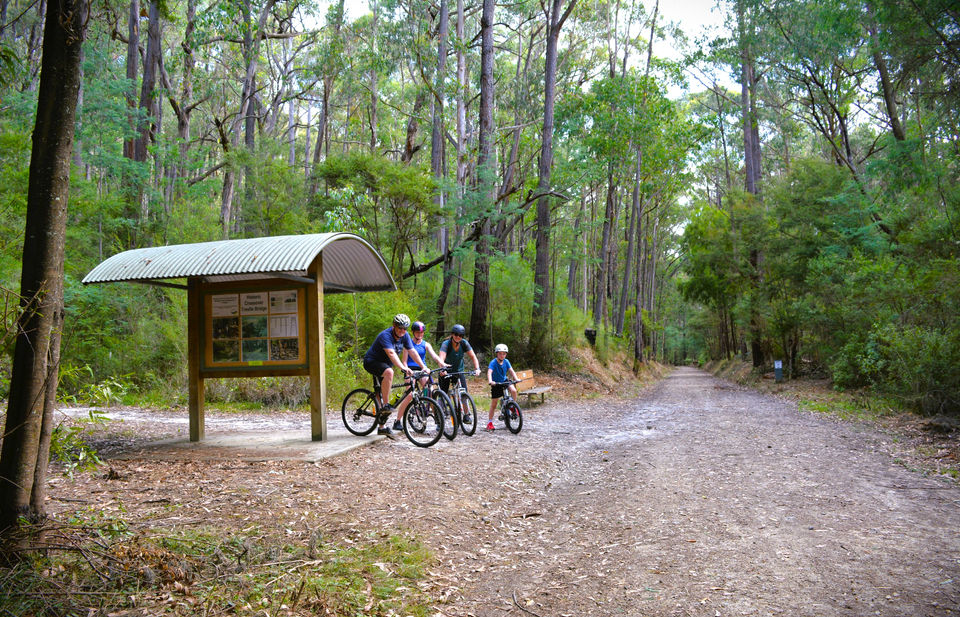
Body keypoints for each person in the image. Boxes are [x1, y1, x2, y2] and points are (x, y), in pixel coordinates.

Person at [363, 313, 428, 435]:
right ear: (394, 325)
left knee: (379, 395)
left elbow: (412, 351)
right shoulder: (385, 335)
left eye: (405, 328)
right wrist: (403, 367)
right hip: (372, 362)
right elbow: (392, 354)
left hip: (384, 364)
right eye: (400, 328)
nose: (402, 331)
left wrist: (423, 366)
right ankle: (387, 405)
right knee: (389, 372)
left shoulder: (405, 336)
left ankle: (381, 427)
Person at [437, 324, 481, 422]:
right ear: (452, 334)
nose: (458, 337)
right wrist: (442, 369)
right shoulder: (446, 344)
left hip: (458, 371)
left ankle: (466, 415)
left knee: (464, 393)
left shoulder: (464, 343)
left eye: (461, 335)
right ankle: (440, 418)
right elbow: (441, 358)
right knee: (443, 394)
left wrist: (477, 368)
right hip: (446, 371)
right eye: (456, 334)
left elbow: (473, 356)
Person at [486, 343, 519, 431]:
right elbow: (489, 372)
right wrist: (490, 381)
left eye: (504, 354)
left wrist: (516, 378)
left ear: (506, 354)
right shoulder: (493, 362)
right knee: (494, 404)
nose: (502, 355)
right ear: (497, 354)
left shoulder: (506, 361)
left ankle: (513, 406)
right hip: (496, 383)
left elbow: (511, 371)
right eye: (500, 353)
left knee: (514, 390)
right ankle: (489, 423)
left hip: (504, 380)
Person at [407, 321, 447, 392]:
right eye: (417, 332)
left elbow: (434, 356)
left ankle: (426, 401)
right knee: (410, 393)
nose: (420, 334)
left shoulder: (426, 344)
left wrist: (442, 364)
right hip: (410, 370)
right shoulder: (408, 343)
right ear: (413, 332)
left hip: (422, 369)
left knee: (429, 390)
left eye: (421, 332)